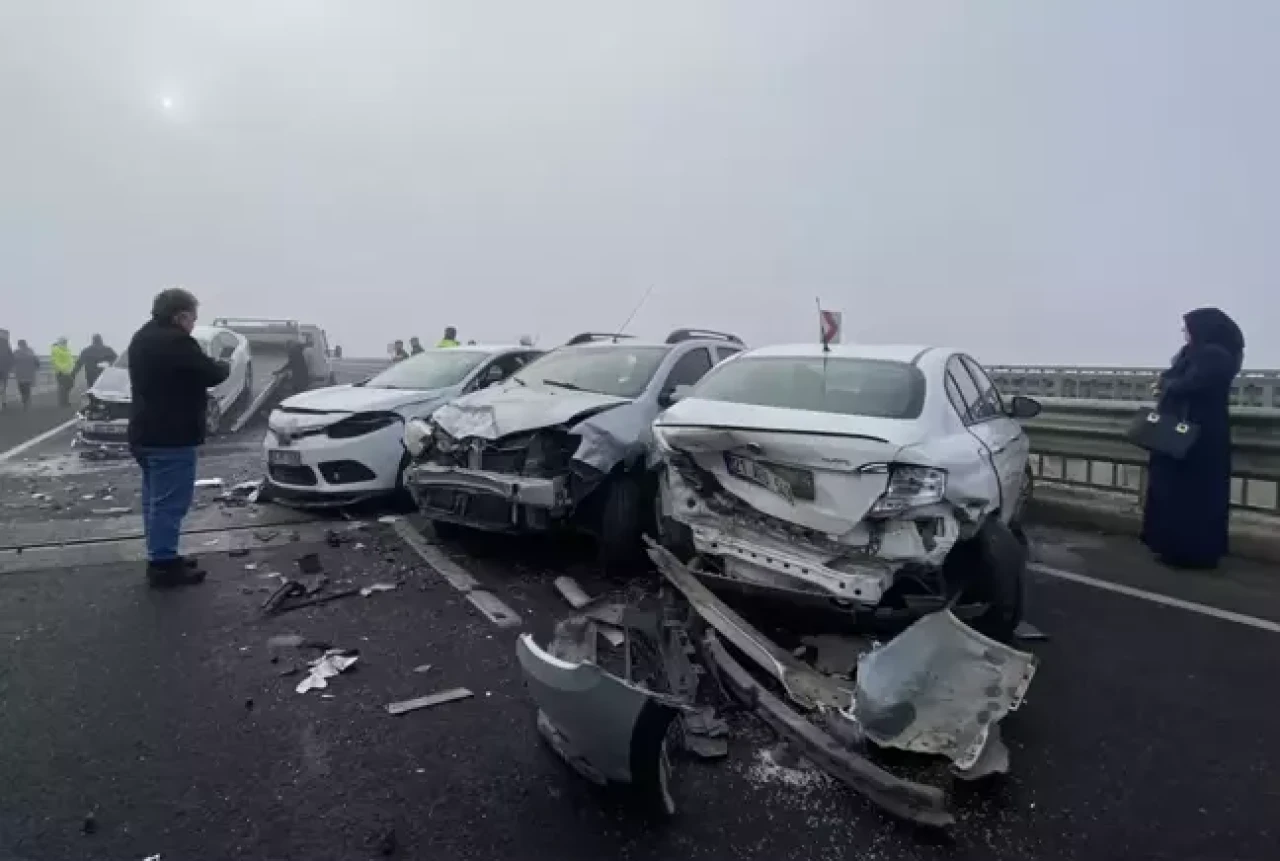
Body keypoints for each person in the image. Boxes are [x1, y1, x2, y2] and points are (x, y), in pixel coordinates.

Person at [128, 288, 230, 588]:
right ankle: (162, 565)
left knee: (154, 502)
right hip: (170, 436)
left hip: (146, 432)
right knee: (170, 504)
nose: (193, 325)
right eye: (192, 319)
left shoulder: (143, 336)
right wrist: (223, 363)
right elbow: (212, 373)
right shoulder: (176, 342)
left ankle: (162, 555)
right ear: (180, 315)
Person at [1141, 307, 1245, 570]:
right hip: (1182, 432)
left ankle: (1192, 553)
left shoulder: (1216, 356)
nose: (1185, 333)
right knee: (1173, 493)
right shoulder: (1195, 353)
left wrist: (1165, 385)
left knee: (1193, 497)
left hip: (1200, 437)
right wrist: (1166, 382)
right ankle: (1172, 548)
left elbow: (1190, 384)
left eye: (1188, 328)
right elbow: (1173, 378)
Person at [12, 339, 38, 410]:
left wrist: (13, 370)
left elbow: (12, 362)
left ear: (19, 345)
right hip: (28, 374)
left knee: (22, 389)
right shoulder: (30, 351)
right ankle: (27, 401)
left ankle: (25, 401)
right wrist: (35, 368)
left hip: (20, 374)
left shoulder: (16, 352)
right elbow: (36, 361)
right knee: (27, 388)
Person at [50, 336, 75, 406]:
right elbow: (55, 361)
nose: (65, 342)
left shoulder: (67, 349)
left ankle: (64, 401)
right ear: (60, 341)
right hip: (61, 372)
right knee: (63, 387)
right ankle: (63, 402)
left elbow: (69, 360)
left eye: (66, 341)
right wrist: (62, 369)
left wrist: (72, 368)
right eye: (64, 341)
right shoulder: (56, 349)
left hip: (68, 372)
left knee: (69, 386)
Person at [0, 329, 13, 408]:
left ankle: (3, 401)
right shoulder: (5, 343)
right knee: (4, 385)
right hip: (4, 368)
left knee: (3, 385)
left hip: (4, 368)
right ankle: (4, 401)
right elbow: (11, 357)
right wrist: (10, 367)